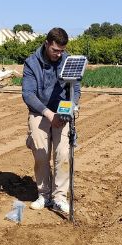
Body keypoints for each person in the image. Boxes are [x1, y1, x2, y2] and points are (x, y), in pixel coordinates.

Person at [21, 27, 81, 214]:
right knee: (41, 154)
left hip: (62, 115)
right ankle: (44, 195)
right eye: (55, 50)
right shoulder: (32, 63)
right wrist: (48, 114)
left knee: (63, 154)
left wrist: (71, 106)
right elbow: (28, 94)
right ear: (47, 44)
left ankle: (60, 197)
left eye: (62, 51)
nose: (59, 54)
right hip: (40, 112)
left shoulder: (68, 61)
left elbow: (75, 89)